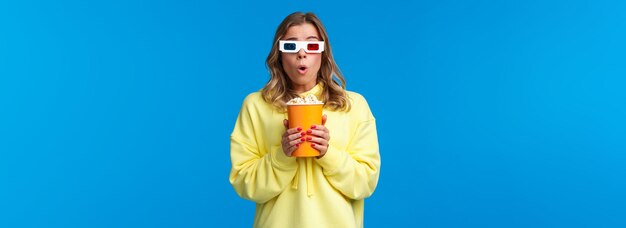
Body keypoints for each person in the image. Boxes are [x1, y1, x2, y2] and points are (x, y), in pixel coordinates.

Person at [229, 12, 381, 228]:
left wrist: (328, 153)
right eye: (291, 46)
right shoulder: (255, 105)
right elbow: (244, 183)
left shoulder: (354, 106)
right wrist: (282, 155)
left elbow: (366, 182)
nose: (302, 54)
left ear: (323, 53)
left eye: (311, 46)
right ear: (279, 54)